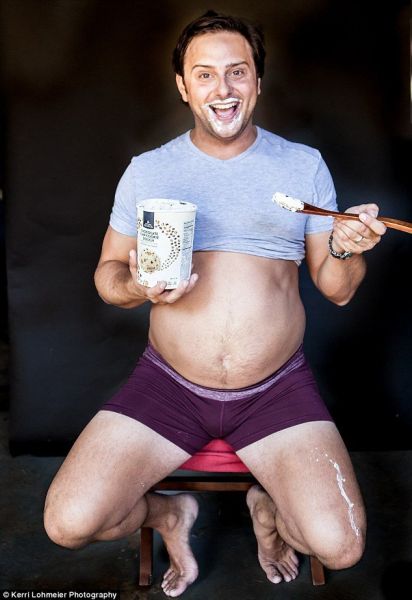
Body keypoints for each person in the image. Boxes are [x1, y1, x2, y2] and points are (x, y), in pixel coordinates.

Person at [44, 10, 387, 597]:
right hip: (168, 388)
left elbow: (338, 287)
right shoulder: (149, 171)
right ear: (183, 86)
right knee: (68, 523)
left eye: (237, 72)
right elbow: (107, 276)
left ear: (258, 81)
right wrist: (139, 287)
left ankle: (267, 511)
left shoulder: (302, 165)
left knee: (340, 546)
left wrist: (345, 246)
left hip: (276, 392)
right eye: (204, 74)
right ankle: (170, 514)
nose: (222, 88)